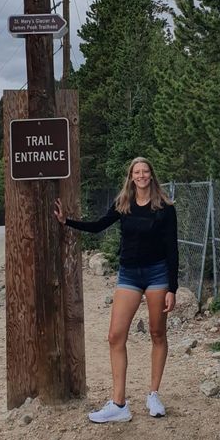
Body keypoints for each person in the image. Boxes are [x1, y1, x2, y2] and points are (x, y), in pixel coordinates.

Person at [54, 156, 178, 423]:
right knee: (115, 336)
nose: (142, 175)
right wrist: (67, 222)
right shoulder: (123, 204)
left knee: (157, 333)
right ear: (131, 177)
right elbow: (99, 225)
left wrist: (173, 288)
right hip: (129, 275)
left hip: (158, 274)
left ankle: (153, 394)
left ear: (151, 176)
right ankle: (119, 403)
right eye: (137, 172)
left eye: (146, 171)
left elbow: (172, 248)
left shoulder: (165, 207)